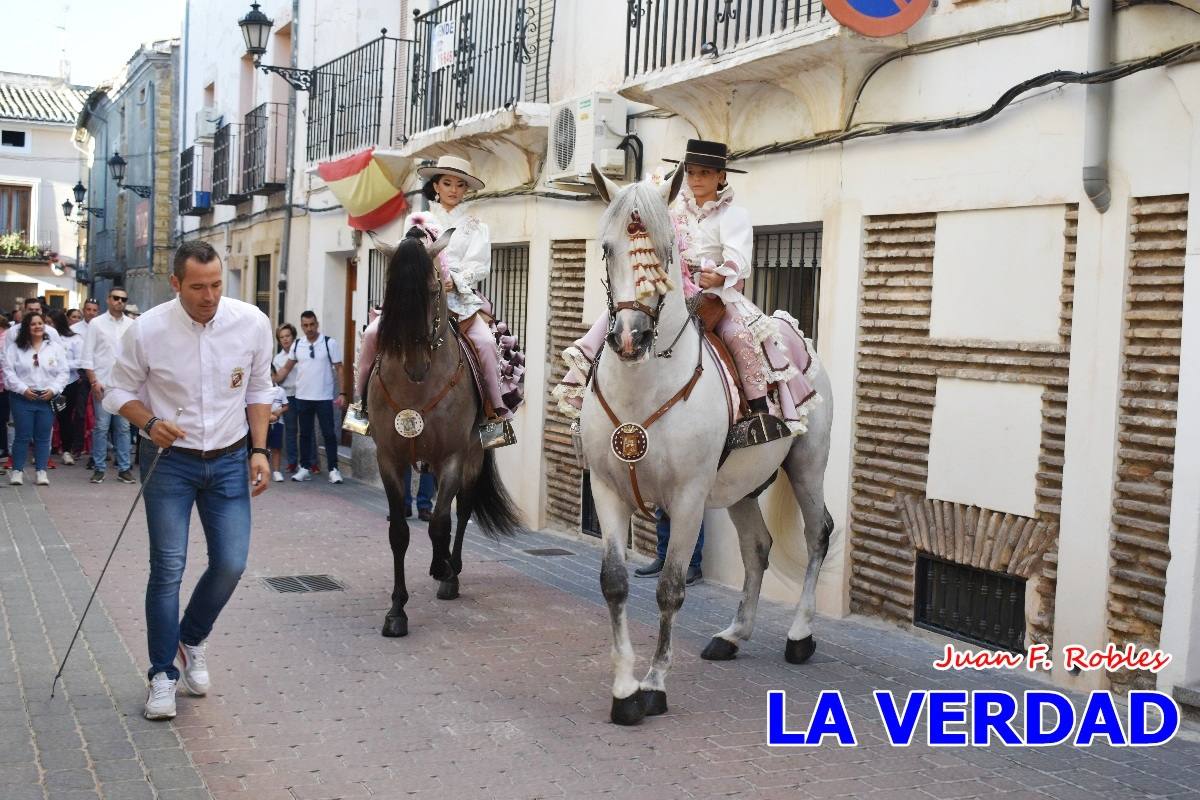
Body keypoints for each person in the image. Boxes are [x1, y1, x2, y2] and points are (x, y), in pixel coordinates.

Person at [104, 239, 274, 721]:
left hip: (228, 459)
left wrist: (259, 450)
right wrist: (149, 423)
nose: (210, 295)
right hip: (169, 462)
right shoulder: (148, 330)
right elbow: (116, 391)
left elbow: (260, 388)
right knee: (168, 568)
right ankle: (162, 674)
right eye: (198, 287)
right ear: (176, 283)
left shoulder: (251, 323)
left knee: (231, 563)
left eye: (217, 284)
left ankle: (191, 638)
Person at [273, 311, 344, 484]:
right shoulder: (298, 345)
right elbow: (286, 368)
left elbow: (340, 368)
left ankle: (334, 469)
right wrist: (270, 381)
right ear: (302, 326)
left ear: (317, 324)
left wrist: (343, 393)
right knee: (304, 434)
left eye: (312, 324)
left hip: (324, 397)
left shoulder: (329, 343)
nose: (309, 328)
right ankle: (304, 468)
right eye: (305, 325)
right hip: (303, 397)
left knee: (329, 434)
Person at [3, 312, 69, 485]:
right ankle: (17, 470)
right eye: (33, 324)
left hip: (46, 398)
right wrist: (23, 389)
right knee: (22, 436)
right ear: (26, 327)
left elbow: (63, 372)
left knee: (43, 436)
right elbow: (9, 372)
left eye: (40, 323)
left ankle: (41, 471)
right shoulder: (15, 348)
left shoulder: (54, 347)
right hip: (22, 398)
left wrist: (53, 389)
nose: (38, 326)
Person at [81, 288, 135, 484]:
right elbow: (87, 356)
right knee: (101, 427)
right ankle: (99, 467)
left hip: (124, 386)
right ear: (108, 299)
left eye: (123, 299)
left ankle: (124, 468)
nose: (119, 302)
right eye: (116, 298)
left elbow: (135, 355)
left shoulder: (132, 325)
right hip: (102, 383)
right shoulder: (96, 324)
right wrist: (93, 381)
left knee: (123, 428)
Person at [48, 310, 86, 465]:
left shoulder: (74, 339)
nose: (47, 326)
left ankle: (66, 450)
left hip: (68, 383)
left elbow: (80, 361)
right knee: (46, 417)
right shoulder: (43, 339)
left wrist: (61, 365)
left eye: (50, 323)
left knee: (65, 417)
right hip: (47, 383)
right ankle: (44, 450)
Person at [270, 323, 300, 473]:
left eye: (288, 336)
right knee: (290, 430)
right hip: (287, 395)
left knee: (307, 431)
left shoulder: (302, 352)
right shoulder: (278, 358)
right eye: (282, 337)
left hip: (302, 394)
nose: (285, 339)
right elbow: (276, 379)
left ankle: (312, 463)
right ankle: (292, 462)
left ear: (293, 336)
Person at [267, 380, 288, 482]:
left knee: (276, 448)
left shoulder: (280, 390)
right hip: (263, 423)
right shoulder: (259, 390)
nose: (269, 377)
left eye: (271, 374)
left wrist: (280, 411)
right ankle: (262, 472)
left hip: (278, 423)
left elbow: (286, 406)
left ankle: (276, 472)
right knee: (262, 448)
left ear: (275, 375)